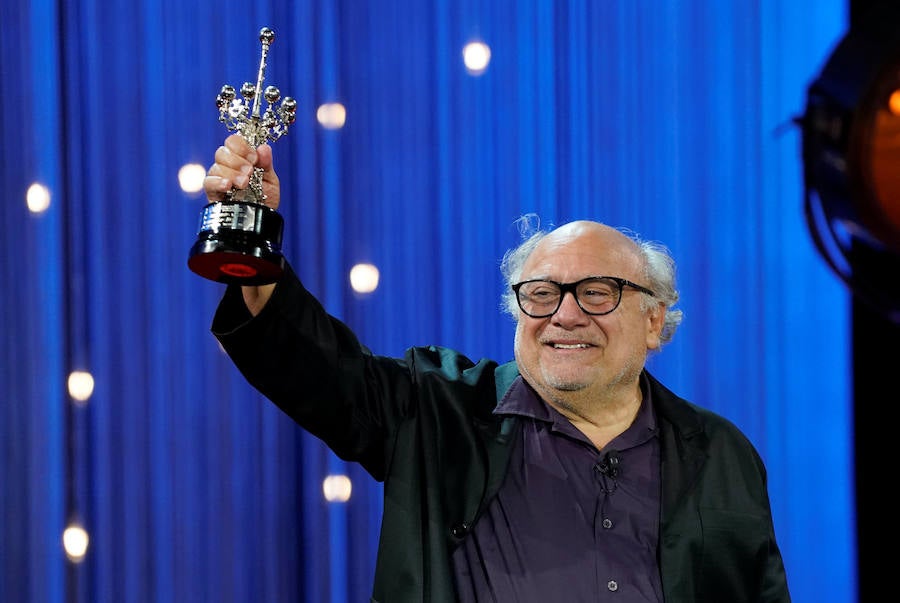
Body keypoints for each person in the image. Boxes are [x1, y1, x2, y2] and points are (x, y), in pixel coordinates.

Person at [203, 134, 792, 602]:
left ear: (654, 321)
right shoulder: (433, 412)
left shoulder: (721, 453)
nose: (564, 315)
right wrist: (248, 233)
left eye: (596, 292)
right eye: (540, 294)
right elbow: (309, 364)